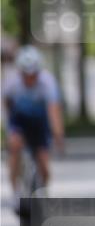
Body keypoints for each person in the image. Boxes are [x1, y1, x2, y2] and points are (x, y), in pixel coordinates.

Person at [3, 45, 65, 202]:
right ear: (20, 72)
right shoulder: (11, 83)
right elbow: (6, 107)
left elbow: (53, 111)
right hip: (19, 120)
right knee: (15, 146)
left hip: (39, 121)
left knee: (44, 163)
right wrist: (8, 133)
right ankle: (15, 191)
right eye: (26, 74)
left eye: (33, 74)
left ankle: (42, 191)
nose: (30, 78)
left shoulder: (47, 82)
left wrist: (58, 136)